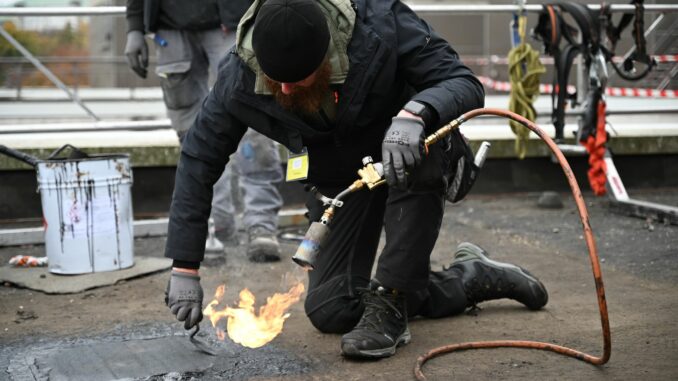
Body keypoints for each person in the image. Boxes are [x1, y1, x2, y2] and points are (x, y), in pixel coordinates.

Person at [164, 0, 549, 359]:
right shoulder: (240, 75)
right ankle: (469, 277)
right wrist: (185, 265)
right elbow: (199, 159)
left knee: (420, 159)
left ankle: (393, 301)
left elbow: (463, 82)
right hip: (341, 183)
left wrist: (416, 114)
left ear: (327, 56)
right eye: (274, 80)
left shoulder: (381, 24)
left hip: (406, 153)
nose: (283, 90)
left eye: (297, 80)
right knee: (331, 309)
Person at [124, 0, 283, 262]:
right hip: (171, 27)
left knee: (254, 126)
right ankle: (213, 225)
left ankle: (261, 223)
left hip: (234, 20)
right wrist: (134, 26)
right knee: (192, 134)